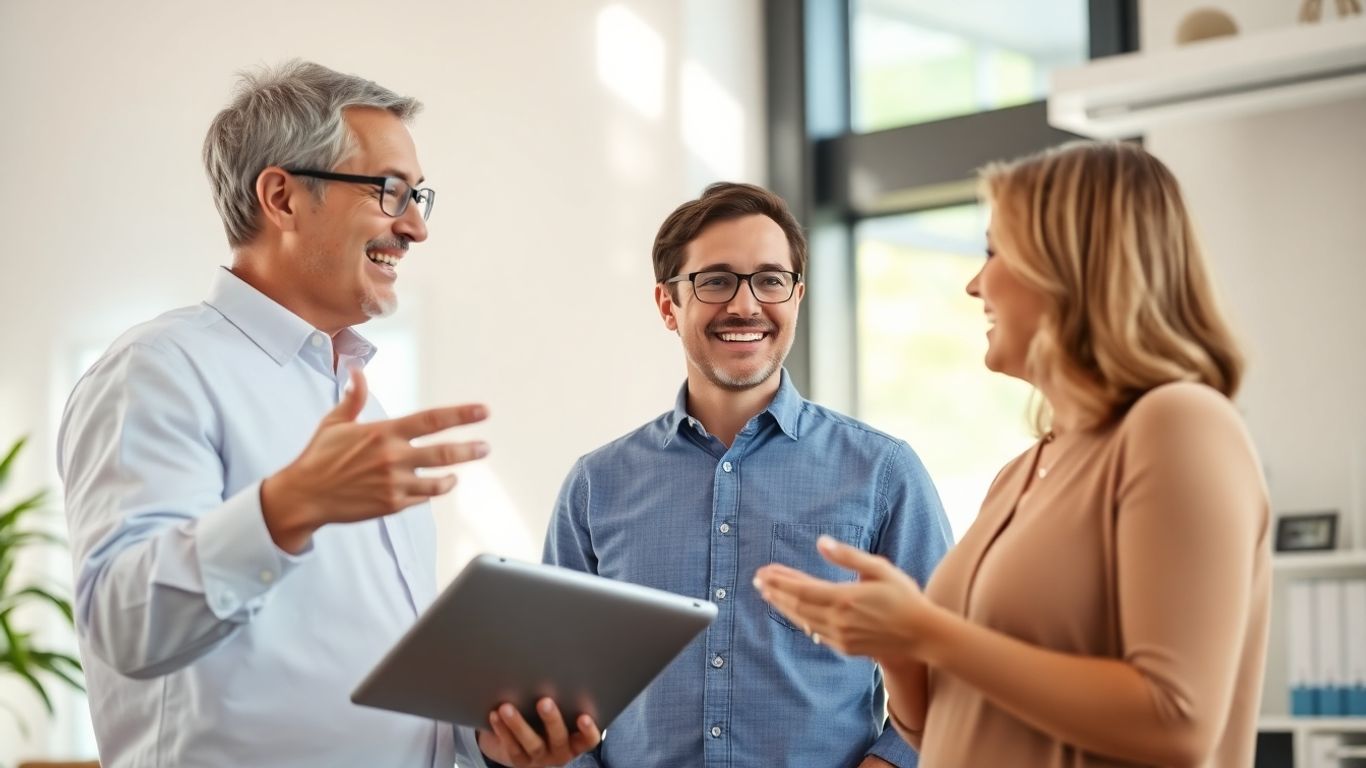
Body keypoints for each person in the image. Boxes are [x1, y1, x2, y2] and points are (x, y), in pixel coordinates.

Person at [57, 60, 599, 768]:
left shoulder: (361, 409)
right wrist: (284, 509)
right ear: (282, 197)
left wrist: (485, 742)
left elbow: (366, 684)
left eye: (418, 197)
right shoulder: (158, 368)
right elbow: (126, 624)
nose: (414, 228)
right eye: (389, 192)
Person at [755, 141, 1270, 767]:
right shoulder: (1021, 473)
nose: (975, 285)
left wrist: (927, 630)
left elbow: (1177, 723)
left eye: (995, 252)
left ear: (1072, 265)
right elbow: (936, 726)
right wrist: (894, 644)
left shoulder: (1179, 423)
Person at [543, 182, 953, 767]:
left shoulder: (882, 473)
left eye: (769, 279)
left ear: (796, 297)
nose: (744, 305)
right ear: (667, 304)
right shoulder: (596, 485)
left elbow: (946, 666)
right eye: (715, 280)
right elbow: (554, 691)